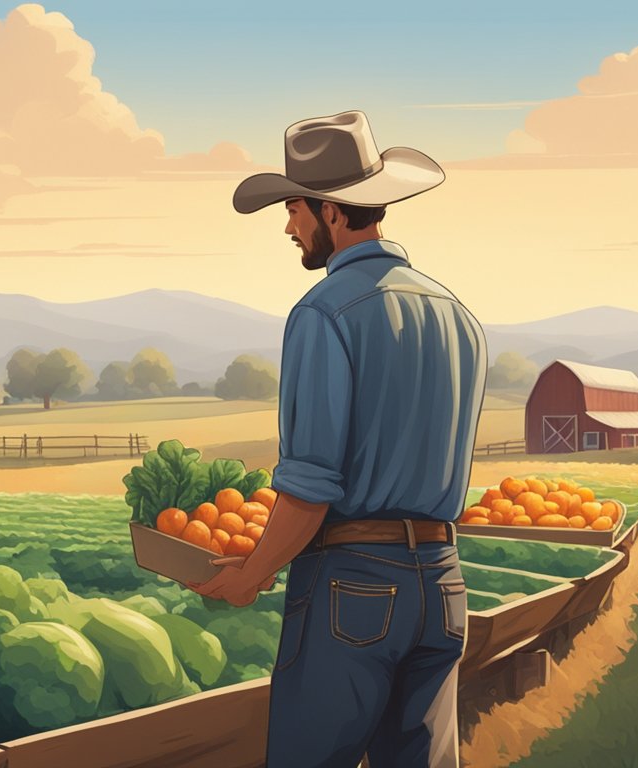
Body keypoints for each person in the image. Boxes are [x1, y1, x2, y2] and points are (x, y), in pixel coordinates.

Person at [188, 110, 487, 768]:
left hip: (352, 586)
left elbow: (311, 484)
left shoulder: (323, 313)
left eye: (294, 208)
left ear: (329, 211)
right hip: (443, 584)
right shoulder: (457, 315)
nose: (288, 226)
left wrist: (252, 574)